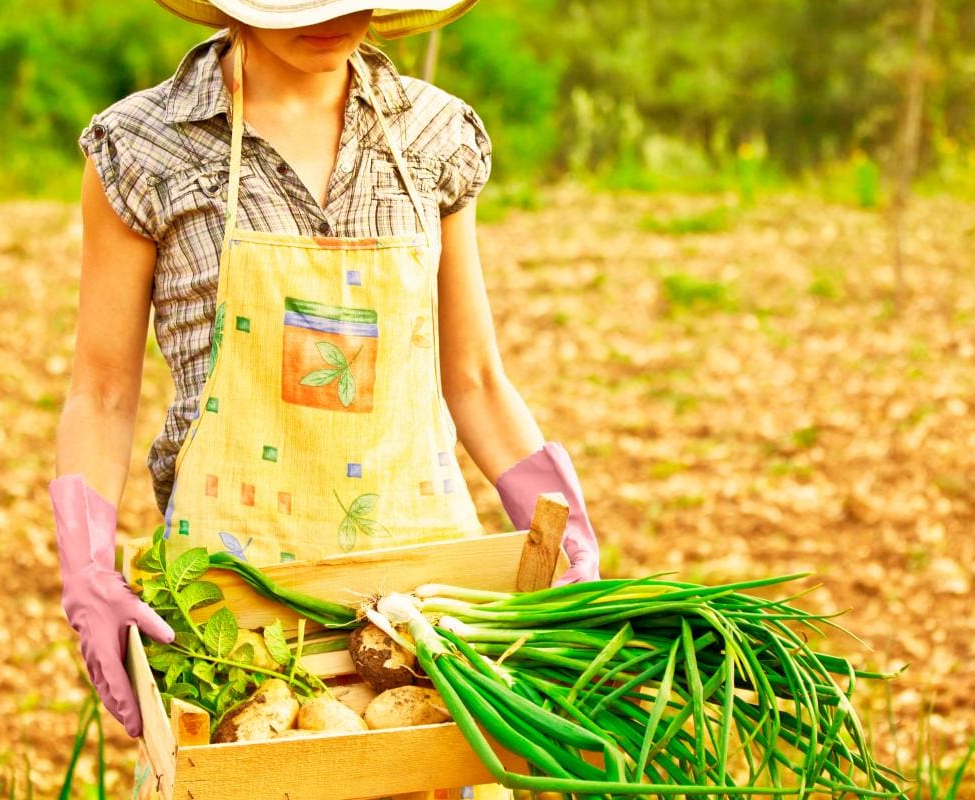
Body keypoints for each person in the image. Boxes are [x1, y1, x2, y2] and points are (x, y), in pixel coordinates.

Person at [48, 0, 601, 797]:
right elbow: (100, 391)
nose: (340, 13)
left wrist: (561, 528)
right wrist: (86, 566)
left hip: (425, 623)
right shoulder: (144, 149)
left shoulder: (432, 136)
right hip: (235, 622)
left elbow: (474, 376)